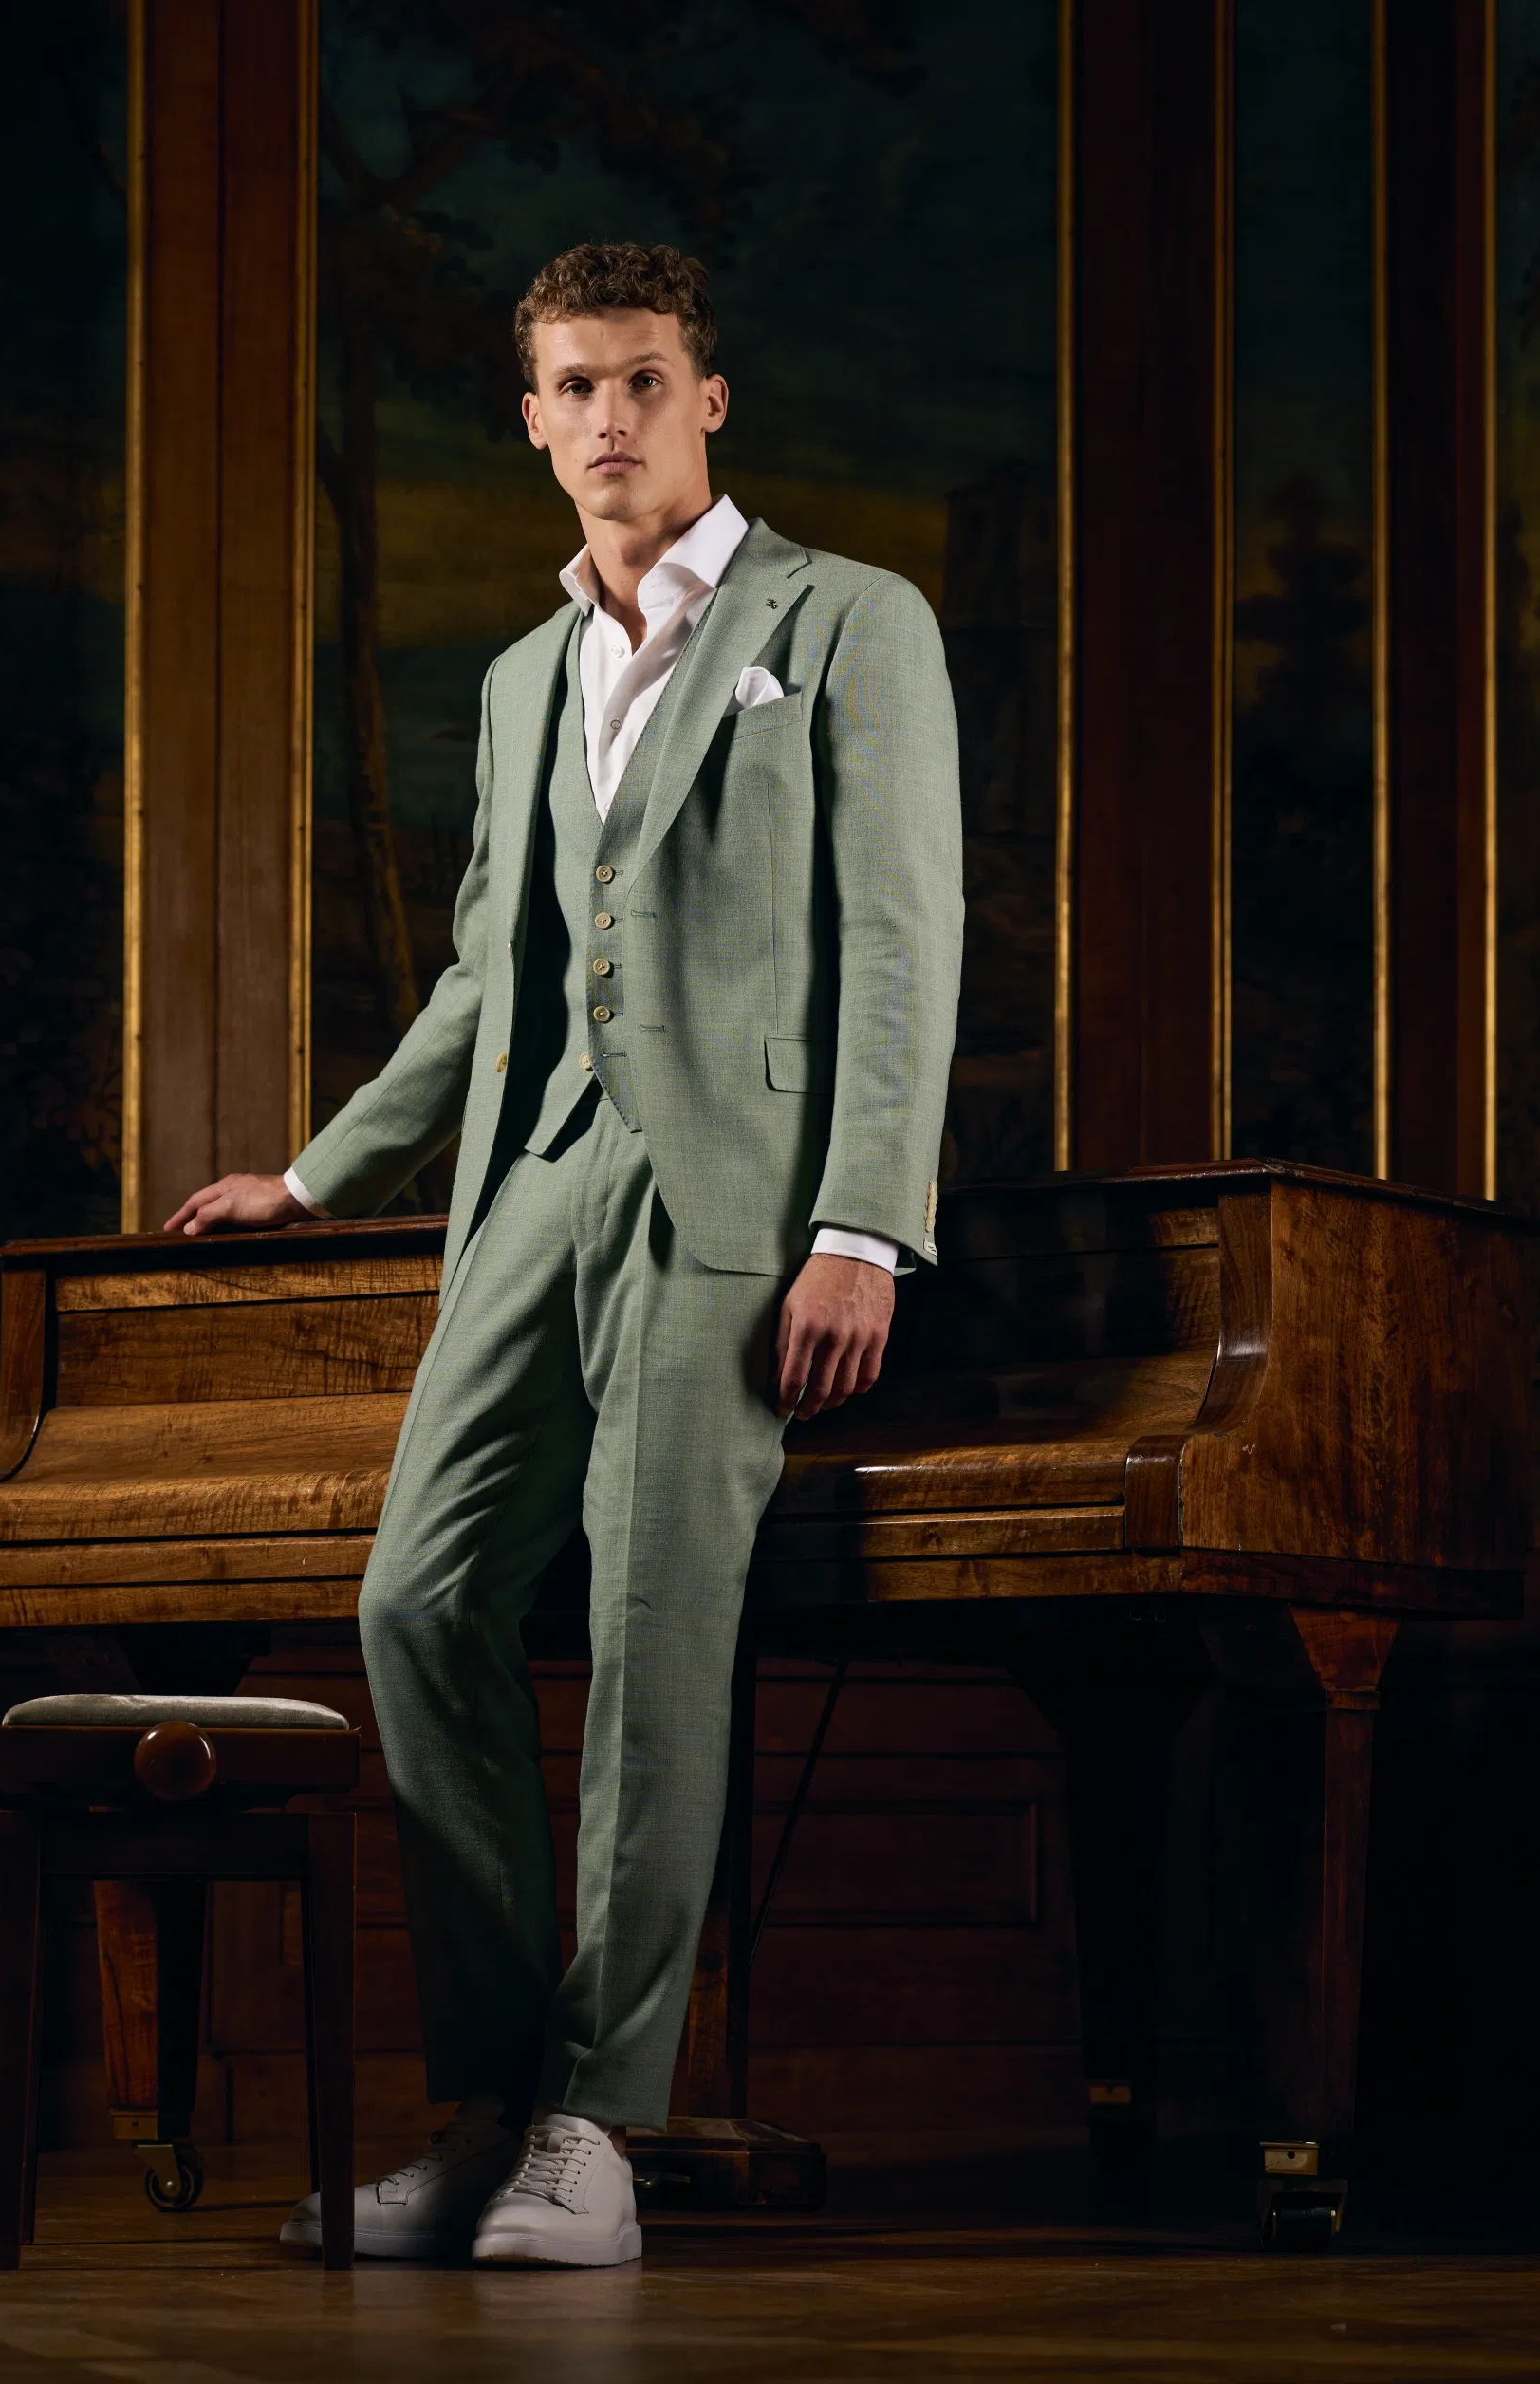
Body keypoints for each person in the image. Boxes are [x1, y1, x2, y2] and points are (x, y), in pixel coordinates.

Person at [168, 241, 962, 2267]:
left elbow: (899, 936)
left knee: (650, 1634)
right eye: (575, 388)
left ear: (709, 399)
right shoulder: (522, 676)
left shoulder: (846, 619)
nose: (611, 416)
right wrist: (320, 1177)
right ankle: (488, 2104)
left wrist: (861, 1228)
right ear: (532, 420)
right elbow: (483, 974)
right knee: (417, 1599)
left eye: (644, 379)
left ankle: (597, 2123)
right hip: (530, 1184)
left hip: (735, 1202)